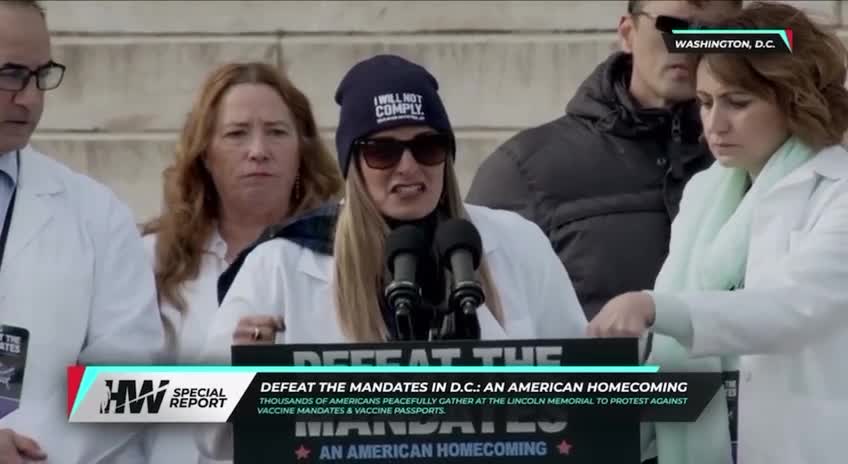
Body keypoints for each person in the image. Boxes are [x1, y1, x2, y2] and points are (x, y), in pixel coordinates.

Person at [196, 54, 588, 460]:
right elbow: (206, 432)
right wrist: (242, 377)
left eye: (427, 147)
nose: (408, 166)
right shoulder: (281, 263)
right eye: (383, 151)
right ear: (354, 164)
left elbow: (584, 391)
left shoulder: (517, 242)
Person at [587, 3, 848, 464]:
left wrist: (654, 306)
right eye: (706, 102)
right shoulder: (706, 191)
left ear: (794, 99)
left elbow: (789, 309)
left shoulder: (838, 190)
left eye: (738, 102)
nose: (715, 124)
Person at [465, 0, 741, 321]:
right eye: (672, 26)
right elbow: (486, 325)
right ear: (628, 33)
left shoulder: (765, 161)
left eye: (711, 31)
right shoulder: (524, 169)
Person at [140, 62, 343, 463]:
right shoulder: (148, 259)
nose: (258, 151)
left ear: (302, 151)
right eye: (236, 134)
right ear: (204, 155)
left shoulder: (345, 256)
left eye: (277, 132)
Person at [0, 1, 165, 463]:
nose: (30, 98)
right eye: (11, 73)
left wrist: (22, 447)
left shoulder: (96, 214)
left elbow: (127, 375)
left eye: (41, 74)